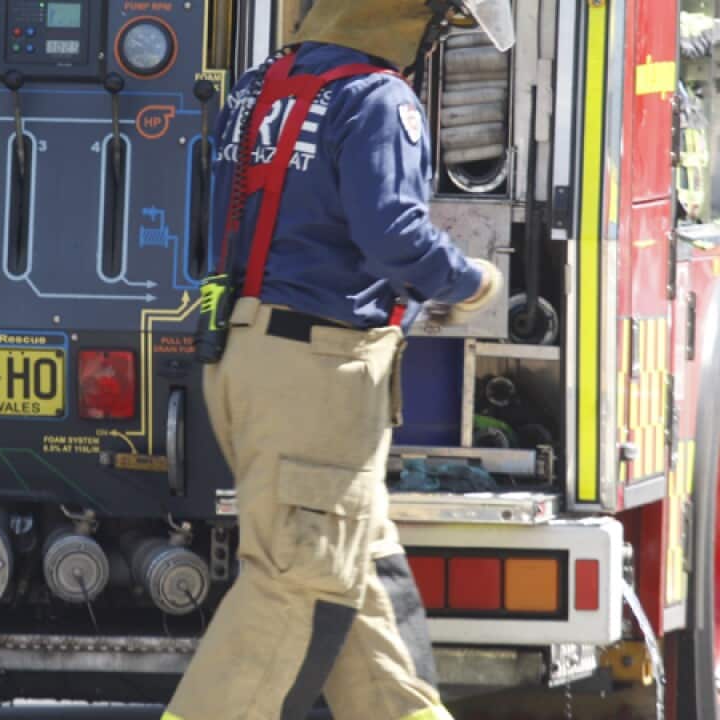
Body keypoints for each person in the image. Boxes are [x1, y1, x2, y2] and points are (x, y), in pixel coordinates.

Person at [164, 1, 514, 719]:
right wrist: (471, 282)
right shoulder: (378, 97)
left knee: (363, 581)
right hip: (316, 373)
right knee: (297, 583)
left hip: (243, 355)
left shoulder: (260, 86)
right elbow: (394, 235)